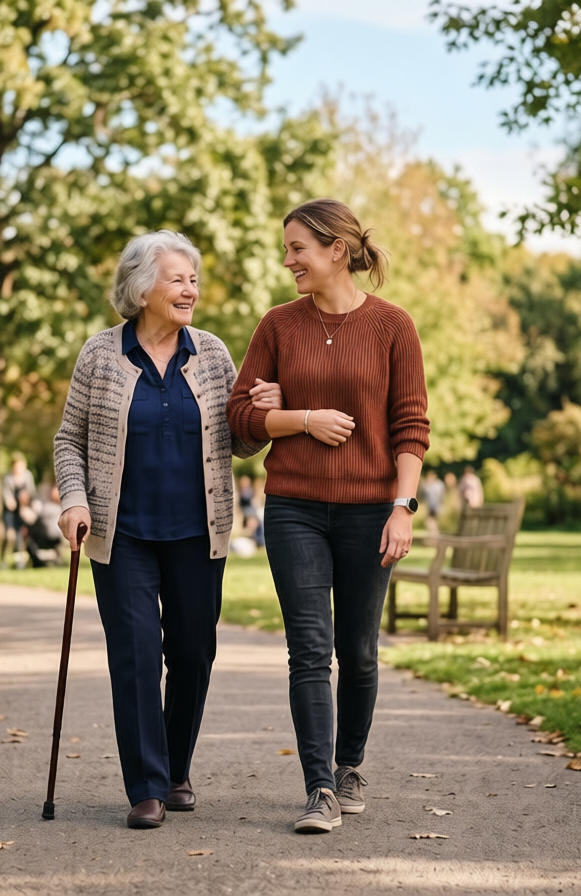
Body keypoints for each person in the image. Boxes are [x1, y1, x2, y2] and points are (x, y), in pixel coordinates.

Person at [54, 231, 278, 830]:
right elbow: (67, 439)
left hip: (196, 532)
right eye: (178, 279)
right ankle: (147, 785)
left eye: (193, 280)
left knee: (192, 654)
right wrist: (74, 500)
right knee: (134, 656)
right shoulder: (100, 355)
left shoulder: (211, 354)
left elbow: (242, 442)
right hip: (120, 533)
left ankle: (177, 767)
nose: (190, 290)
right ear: (141, 286)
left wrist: (264, 415)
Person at [226, 198, 430, 834]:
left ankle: (350, 765)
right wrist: (299, 417)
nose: (287, 260)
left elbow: (411, 425)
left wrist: (403, 506)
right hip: (294, 509)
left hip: (371, 510)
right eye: (287, 249)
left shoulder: (394, 326)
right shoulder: (277, 327)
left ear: (337, 251)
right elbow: (238, 422)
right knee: (309, 650)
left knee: (359, 651)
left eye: (297, 249)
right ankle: (319, 787)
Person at [0, 453, 36, 569]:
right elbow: (6, 494)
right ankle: (3, 559)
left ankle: (20, 562)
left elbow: (32, 492)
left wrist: (27, 498)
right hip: (9, 511)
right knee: (9, 535)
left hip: (22, 510)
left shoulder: (27, 476)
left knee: (21, 536)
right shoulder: (7, 478)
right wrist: (9, 501)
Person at [419, 469, 446, 533]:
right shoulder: (426, 485)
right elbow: (421, 495)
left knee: (436, 522)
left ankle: (435, 535)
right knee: (429, 522)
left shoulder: (439, 485)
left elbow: (442, 496)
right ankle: (433, 535)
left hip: (437, 506)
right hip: (429, 507)